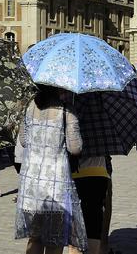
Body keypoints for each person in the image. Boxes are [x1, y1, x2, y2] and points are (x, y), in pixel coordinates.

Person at [15, 86, 86, 254]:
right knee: (55, 240)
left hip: (31, 180)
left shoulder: (28, 106)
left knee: (35, 238)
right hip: (55, 181)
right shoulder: (66, 110)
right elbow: (75, 147)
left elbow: (24, 140)